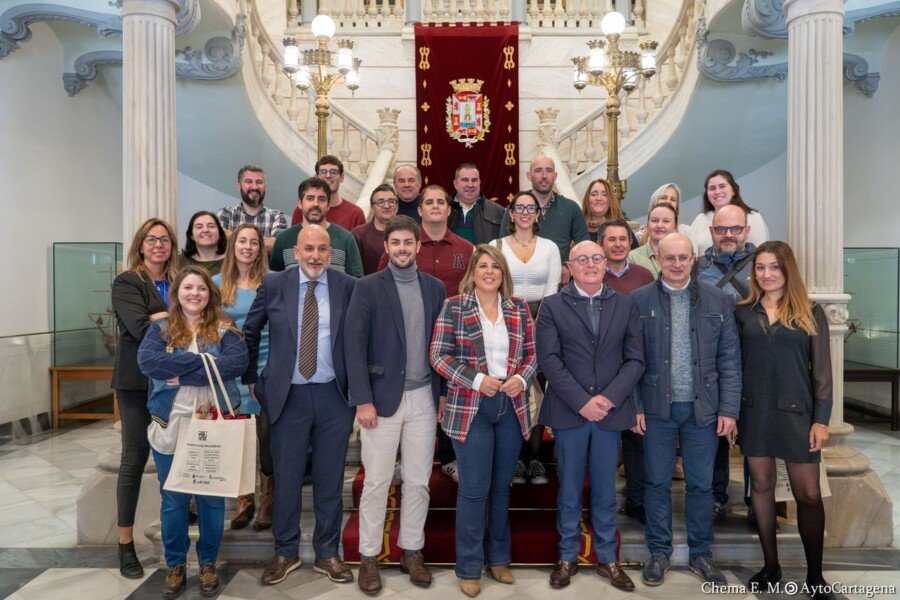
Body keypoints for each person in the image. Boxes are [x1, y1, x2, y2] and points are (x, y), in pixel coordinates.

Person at [243, 225, 357, 587]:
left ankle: (327, 553)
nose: (315, 256)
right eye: (309, 248)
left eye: (322, 249)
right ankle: (285, 551)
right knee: (287, 478)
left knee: (329, 479)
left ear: (330, 254)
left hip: (333, 396)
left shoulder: (347, 286)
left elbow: (360, 339)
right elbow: (250, 332)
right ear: (295, 253)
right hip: (286, 397)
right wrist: (251, 378)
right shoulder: (274, 284)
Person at [631, 233, 741, 587]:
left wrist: (729, 410)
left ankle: (701, 554)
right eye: (670, 258)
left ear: (694, 259)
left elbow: (730, 360)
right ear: (658, 260)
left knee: (701, 485)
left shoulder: (718, 299)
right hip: (656, 409)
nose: (677, 264)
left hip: (703, 410)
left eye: (683, 257)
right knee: (656, 483)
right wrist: (635, 406)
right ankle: (658, 551)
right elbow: (630, 360)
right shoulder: (638, 301)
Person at [345, 216, 446, 593]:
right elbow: (354, 346)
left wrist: (442, 394)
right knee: (376, 481)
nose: (402, 249)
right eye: (396, 243)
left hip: (424, 396)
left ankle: (412, 551)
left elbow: (442, 345)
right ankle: (369, 556)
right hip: (380, 399)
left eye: (408, 242)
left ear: (418, 246)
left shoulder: (435, 288)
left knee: (418, 481)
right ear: (386, 247)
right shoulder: (368, 286)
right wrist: (363, 400)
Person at [430, 244, 538, 598]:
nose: (489, 272)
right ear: (472, 273)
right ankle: (469, 566)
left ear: (503, 273)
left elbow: (532, 355)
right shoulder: (455, 307)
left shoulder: (518, 308)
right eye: (483, 266)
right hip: (471, 407)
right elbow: (438, 356)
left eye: (495, 266)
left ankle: (499, 559)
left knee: (501, 488)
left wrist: (520, 378)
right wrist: (476, 380)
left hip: (510, 406)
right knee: (474, 489)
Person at [537, 241, 645, 591]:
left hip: (609, 413)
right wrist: (582, 401)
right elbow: (549, 359)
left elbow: (635, 359)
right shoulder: (553, 306)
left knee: (605, 489)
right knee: (569, 488)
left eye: (596, 258)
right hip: (570, 412)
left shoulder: (624, 304)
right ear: (569, 267)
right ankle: (567, 556)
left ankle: (607, 557)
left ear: (604, 263)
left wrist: (608, 399)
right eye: (582, 259)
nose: (590, 264)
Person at [137, 266, 248, 599]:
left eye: (201, 288)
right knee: (174, 500)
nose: (194, 294)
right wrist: (206, 365)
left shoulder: (225, 327)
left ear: (209, 294)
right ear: (177, 293)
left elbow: (236, 364)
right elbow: (149, 363)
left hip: (212, 425)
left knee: (212, 499)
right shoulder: (160, 329)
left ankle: (208, 562)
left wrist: (184, 373)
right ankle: (175, 564)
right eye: (188, 288)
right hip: (171, 426)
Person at [736, 241, 834, 600]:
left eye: (774, 267)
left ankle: (815, 576)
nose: (767, 274)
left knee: (808, 494)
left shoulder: (810, 311)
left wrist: (821, 420)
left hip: (797, 413)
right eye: (760, 267)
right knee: (761, 487)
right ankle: (771, 566)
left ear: (787, 269)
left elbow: (822, 372)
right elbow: (733, 367)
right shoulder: (743, 312)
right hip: (754, 411)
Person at [379, 185, 474, 483]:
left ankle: (449, 456)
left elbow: (472, 291)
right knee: (407, 395)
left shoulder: (465, 249)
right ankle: (399, 457)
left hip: (453, 336)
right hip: (407, 334)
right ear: (419, 210)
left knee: (447, 394)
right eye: (428, 202)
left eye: (440, 201)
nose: (435, 206)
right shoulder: (405, 245)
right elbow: (383, 288)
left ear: (448, 209)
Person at [111, 218, 179, 580]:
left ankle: (176, 531)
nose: (158, 245)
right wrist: (173, 318)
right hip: (137, 382)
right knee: (134, 458)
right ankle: (125, 544)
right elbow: (140, 328)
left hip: (175, 381)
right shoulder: (128, 282)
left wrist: (159, 316)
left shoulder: (178, 280)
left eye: (164, 240)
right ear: (140, 245)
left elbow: (194, 318)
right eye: (151, 240)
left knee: (176, 455)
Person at [491, 191, 561, 486]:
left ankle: (534, 457)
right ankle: (515, 458)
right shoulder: (495, 246)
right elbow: (491, 286)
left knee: (538, 389)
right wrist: (514, 322)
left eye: (530, 208)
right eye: (519, 207)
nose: (524, 212)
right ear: (511, 213)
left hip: (543, 320)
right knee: (511, 388)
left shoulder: (549, 247)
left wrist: (535, 325)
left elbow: (552, 292)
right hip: (503, 320)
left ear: (537, 213)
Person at [696, 205, 757, 523]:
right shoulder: (698, 268)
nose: (728, 235)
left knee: (755, 437)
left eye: (735, 229)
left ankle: (755, 499)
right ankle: (716, 496)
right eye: (721, 229)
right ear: (712, 232)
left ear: (747, 230)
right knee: (714, 434)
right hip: (714, 367)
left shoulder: (762, 265)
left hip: (756, 363)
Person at [212, 224, 274, 532]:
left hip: (266, 362)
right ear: (232, 246)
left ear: (261, 248)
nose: (247, 247)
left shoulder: (272, 281)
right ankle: (243, 497)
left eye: (254, 242)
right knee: (238, 434)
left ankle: (267, 497)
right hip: (232, 367)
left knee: (266, 435)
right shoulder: (215, 284)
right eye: (242, 241)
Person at [596, 219, 654, 524]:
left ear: (631, 243)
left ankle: (637, 499)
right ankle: (598, 502)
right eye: (611, 239)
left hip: (635, 367)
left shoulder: (644, 276)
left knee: (637, 438)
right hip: (600, 370)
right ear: (601, 244)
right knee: (602, 441)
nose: (618, 244)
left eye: (623, 239)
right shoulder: (592, 274)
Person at [499, 155, 590, 266]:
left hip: (561, 274)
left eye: (549, 170)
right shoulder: (515, 209)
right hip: (522, 271)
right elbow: (502, 249)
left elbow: (585, 248)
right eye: (538, 170)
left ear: (555, 176)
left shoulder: (571, 208)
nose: (544, 176)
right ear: (529, 176)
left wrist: (568, 265)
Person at [270, 177, 364, 277]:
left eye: (321, 199)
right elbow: (275, 280)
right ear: (300, 203)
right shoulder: (284, 238)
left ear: (328, 205)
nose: (315, 204)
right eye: (310, 198)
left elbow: (357, 281)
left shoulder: (346, 238)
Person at [690, 169, 770, 256]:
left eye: (722, 186)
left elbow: (761, 254)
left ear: (733, 191)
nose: (717, 192)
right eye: (712, 188)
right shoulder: (700, 219)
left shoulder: (753, 217)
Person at [217, 165, 288, 252]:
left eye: (259, 182)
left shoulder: (276, 216)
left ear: (265, 186)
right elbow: (219, 237)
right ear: (239, 186)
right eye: (248, 182)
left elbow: (277, 245)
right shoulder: (226, 213)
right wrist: (263, 242)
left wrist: (235, 239)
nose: (254, 187)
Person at [292, 155, 366, 232]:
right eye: (323, 172)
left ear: (342, 177)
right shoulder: (302, 211)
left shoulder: (355, 213)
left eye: (333, 172)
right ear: (316, 176)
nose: (328, 176)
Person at [447, 163, 504, 244]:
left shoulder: (498, 212)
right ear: (455, 184)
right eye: (465, 180)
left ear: (479, 183)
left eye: (474, 180)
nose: (470, 185)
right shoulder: (443, 210)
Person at [352, 184, 399, 275]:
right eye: (380, 202)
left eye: (391, 201)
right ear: (372, 208)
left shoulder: (407, 233)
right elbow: (354, 271)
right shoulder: (358, 234)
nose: (386, 206)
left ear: (397, 207)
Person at [581, 178, 640, 249]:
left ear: (610, 200)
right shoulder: (578, 225)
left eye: (605, 194)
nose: (599, 198)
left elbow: (635, 253)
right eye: (594, 194)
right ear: (587, 199)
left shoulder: (621, 226)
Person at [629, 202, 677, 278]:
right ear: (647, 225)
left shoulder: (685, 256)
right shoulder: (633, 258)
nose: (659, 225)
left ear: (675, 226)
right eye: (654, 220)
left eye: (666, 221)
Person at [177, 211, 227, 276]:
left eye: (211, 226)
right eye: (199, 227)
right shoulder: (179, 261)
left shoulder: (232, 260)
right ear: (191, 236)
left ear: (220, 233)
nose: (205, 230)